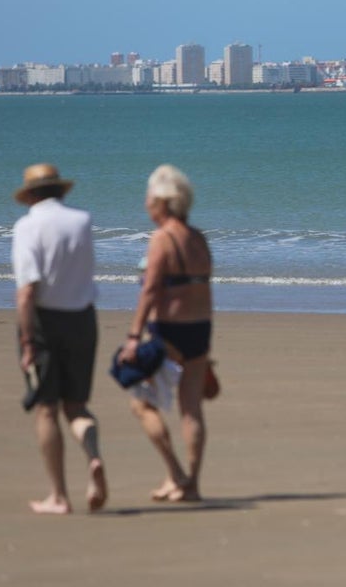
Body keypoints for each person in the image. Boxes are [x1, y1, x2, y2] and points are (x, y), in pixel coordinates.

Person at [11, 163, 106, 514]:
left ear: (31, 194)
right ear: (60, 190)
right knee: (77, 406)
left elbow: (26, 291)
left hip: (46, 321)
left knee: (47, 409)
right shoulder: (82, 220)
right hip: (83, 318)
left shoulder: (27, 226)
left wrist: (26, 341)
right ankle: (93, 456)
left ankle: (59, 495)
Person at [120, 164, 214, 502]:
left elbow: (151, 292)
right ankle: (191, 485)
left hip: (168, 331)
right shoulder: (199, 239)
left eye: (149, 196)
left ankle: (176, 472)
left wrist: (134, 336)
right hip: (200, 330)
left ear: (162, 202)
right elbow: (203, 290)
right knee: (191, 409)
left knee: (140, 402)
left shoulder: (162, 239)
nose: (145, 203)